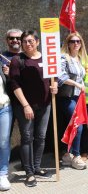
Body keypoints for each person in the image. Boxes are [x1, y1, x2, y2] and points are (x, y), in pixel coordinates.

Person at [9, 30, 58, 187]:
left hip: (45, 104)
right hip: (25, 106)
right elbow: (14, 84)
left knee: (41, 137)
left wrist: (55, 85)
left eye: (30, 41)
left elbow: (54, 76)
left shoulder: (47, 58)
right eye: (25, 41)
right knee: (27, 137)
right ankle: (29, 173)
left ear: (37, 42)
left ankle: (37, 167)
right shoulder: (18, 60)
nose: (27, 44)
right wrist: (25, 105)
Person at [57, 32, 87, 170]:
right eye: (73, 41)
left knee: (73, 125)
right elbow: (60, 77)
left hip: (78, 97)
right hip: (67, 97)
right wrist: (77, 85)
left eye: (78, 41)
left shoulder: (79, 59)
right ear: (68, 44)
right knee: (77, 125)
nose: (76, 43)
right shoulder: (64, 57)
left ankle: (68, 154)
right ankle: (76, 155)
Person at [0, 67, 11, 191]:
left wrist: (8, 75)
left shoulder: (1, 65)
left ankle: (3, 174)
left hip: (4, 108)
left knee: (3, 142)